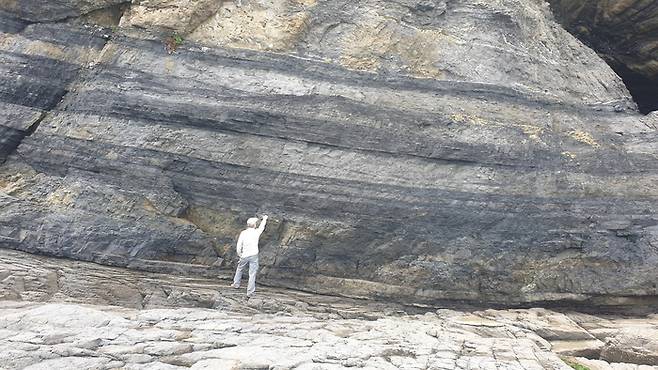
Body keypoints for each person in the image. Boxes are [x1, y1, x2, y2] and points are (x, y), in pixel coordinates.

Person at [231, 215, 268, 297]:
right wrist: (265, 219)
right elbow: (262, 226)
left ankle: (236, 284)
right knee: (252, 273)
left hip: (244, 255)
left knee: (240, 268)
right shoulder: (257, 232)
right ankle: (250, 292)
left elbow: (239, 246)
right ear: (254, 225)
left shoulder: (243, 233)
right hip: (254, 255)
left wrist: (240, 255)